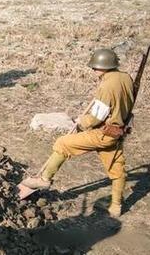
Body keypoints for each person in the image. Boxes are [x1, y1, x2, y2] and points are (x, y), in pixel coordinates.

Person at [21, 49, 133, 217]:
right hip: (117, 133)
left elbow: (96, 117)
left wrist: (82, 121)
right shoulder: (126, 77)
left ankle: (44, 179)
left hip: (102, 133)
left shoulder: (106, 86)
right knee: (117, 170)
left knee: (63, 143)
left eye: (95, 67)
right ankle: (116, 206)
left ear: (104, 67)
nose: (93, 70)